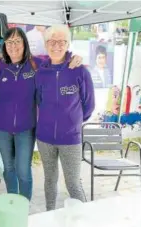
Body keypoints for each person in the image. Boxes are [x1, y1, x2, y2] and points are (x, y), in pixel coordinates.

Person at [0, 27, 83, 201]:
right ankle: (12, 202)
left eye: (17, 41)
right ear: (4, 46)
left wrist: (75, 57)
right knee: (8, 168)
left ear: (25, 44)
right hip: (2, 128)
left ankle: (23, 206)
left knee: (23, 170)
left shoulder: (37, 64)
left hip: (26, 128)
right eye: (9, 42)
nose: (13, 46)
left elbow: (59, 56)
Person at [35, 24, 95, 210]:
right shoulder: (41, 72)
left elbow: (89, 104)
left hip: (70, 138)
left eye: (62, 41)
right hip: (44, 138)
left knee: (73, 184)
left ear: (68, 43)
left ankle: (83, 220)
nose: (57, 46)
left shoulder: (80, 71)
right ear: (46, 44)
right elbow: (39, 100)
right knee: (49, 180)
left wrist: (73, 121)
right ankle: (49, 215)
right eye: (52, 41)